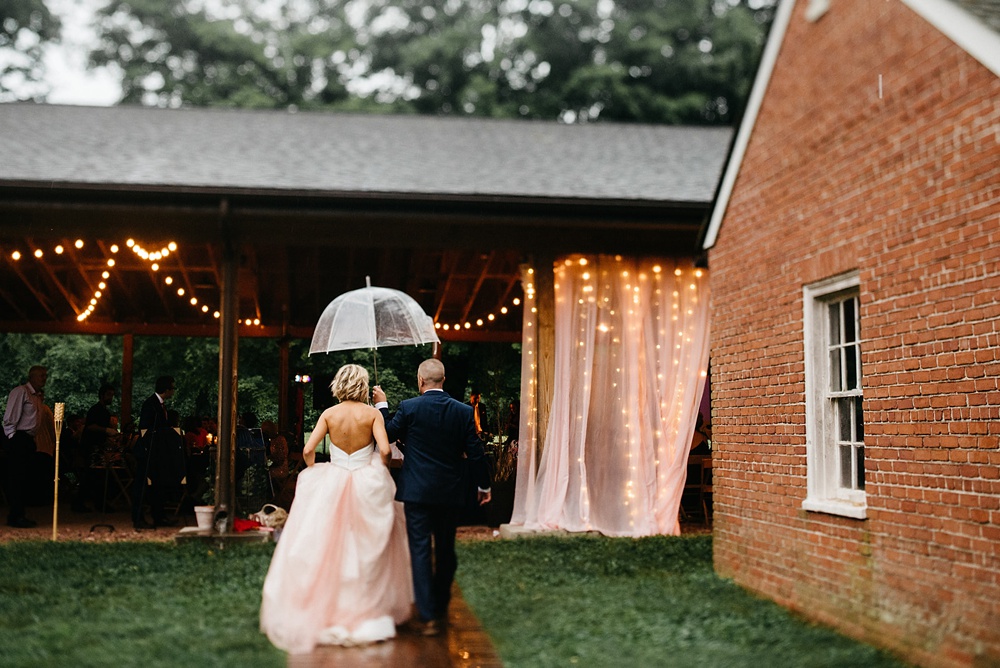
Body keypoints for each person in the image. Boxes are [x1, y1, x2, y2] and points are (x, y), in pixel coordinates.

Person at [260, 364, 412, 653]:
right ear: (363, 386)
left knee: (330, 542)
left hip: (334, 478)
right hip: (365, 482)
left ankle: (330, 606)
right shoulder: (371, 414)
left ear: (339, 385)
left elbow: (307, 450)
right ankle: (365, 609)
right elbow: (384, 450)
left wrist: (316, 470)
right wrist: (377, 472)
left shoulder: (329, 414)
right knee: (364, 544)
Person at [373, 358, 492, 636]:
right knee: (447, 550)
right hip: (450, 493)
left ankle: (427, 616)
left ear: (420, 381)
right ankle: (440, 605)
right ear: (444, 380)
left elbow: (387, 434)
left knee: (421, 551)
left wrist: (382, 404)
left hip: (416, 492)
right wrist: (483, 486)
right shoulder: (463, 412)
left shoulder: (409, 408)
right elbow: (475, 452)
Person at [131, 375, 184, 529]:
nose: (173, 391)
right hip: (147, 452)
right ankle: (138, 518)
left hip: (157, 452)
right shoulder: (150, 404)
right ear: (166, 389)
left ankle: (159, 516)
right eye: (172, 388)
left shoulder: (160, 405)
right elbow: (144, 428)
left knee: (158, 485)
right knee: (141, 486)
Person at [2, 365, 48, 527]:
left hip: (28, 439)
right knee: (16, 479)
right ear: (32, 377)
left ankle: (19, 514)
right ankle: (16, 516)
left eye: (45, 375)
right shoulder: (21, 391)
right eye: (41, 375)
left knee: (24, 478)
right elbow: (10, 417)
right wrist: (13, 438)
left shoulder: (38, 396)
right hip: (18, 438)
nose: (44, 378)